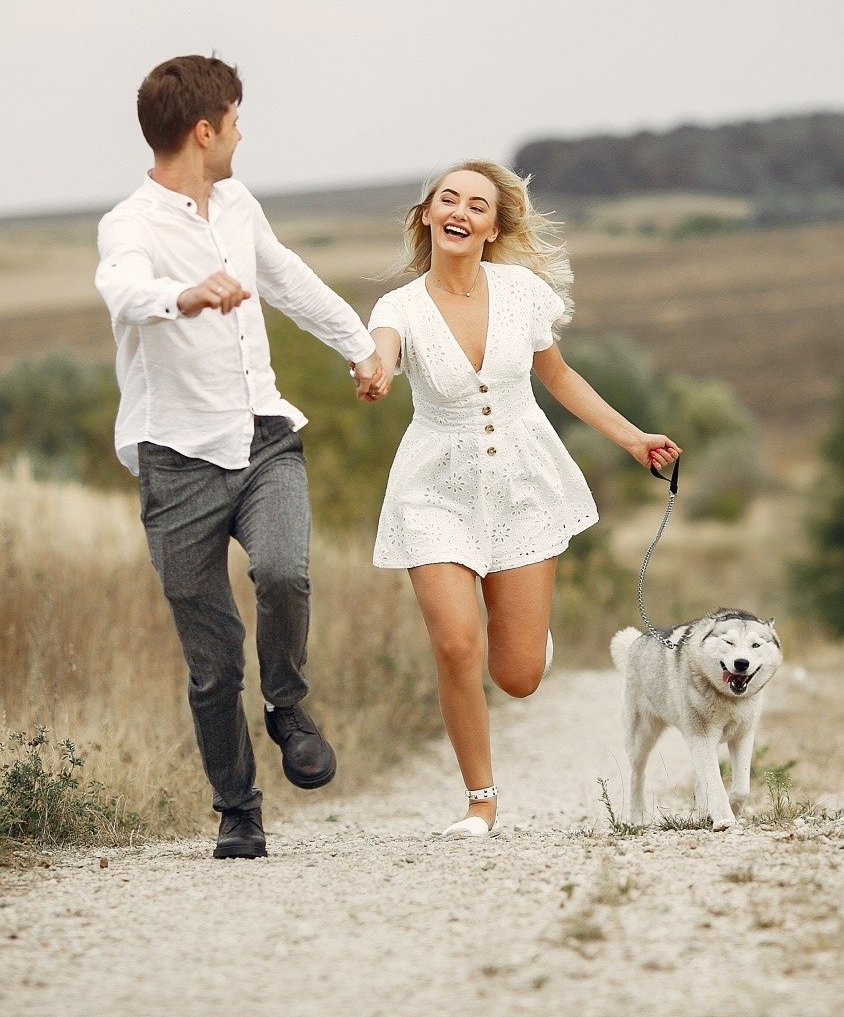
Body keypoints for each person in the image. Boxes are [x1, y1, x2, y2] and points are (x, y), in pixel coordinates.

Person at [95, 54, 389, 860]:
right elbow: (121, 289)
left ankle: (288, 707)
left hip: (263, 437)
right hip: (177, 461)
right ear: (204, 129)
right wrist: (182, 295)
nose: (239, 134)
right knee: (214, 665)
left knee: (287, 572)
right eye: (234, 120)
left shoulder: (237, 203)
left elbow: (286, 279)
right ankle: (238, 809)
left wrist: (360, 347)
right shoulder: (129, 224)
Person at [364, 160, 680, 838]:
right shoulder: (398, 308)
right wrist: (375, 372)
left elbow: (559, 379)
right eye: (447, 199)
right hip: (434, 490)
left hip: (522, 484)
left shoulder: (521, 292)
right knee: (455, 645)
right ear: (426, 215)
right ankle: (480, 800)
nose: (460, 211)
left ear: (494, 226)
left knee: (518, 677)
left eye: (477, 205)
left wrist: (630, 439)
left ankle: (530, 640)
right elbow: (383, 354)